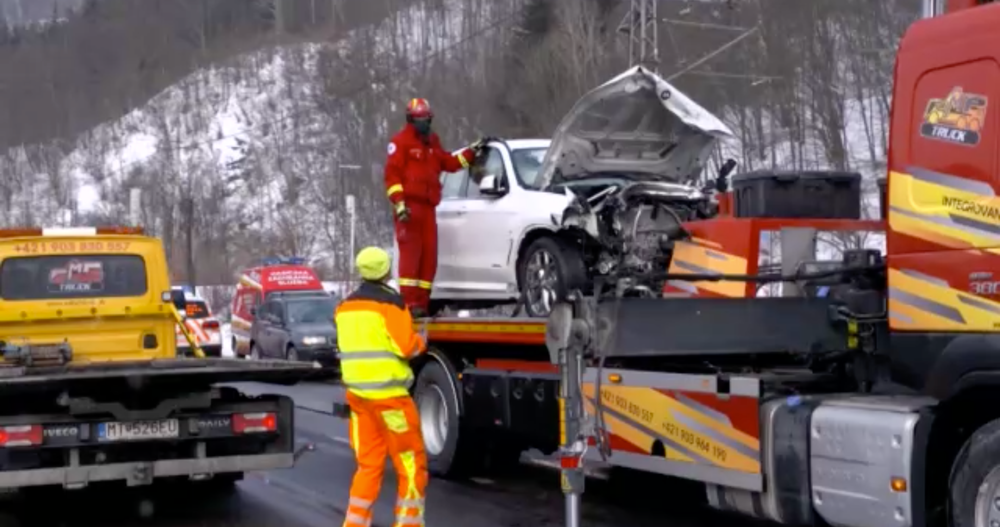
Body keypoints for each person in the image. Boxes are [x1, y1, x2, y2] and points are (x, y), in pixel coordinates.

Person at [335, 247, 429, 527]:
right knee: (411, 468)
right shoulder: (391, 304)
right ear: (386, 270)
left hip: (359, 400)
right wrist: (423, 338)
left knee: (368, 466)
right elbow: (407, 346)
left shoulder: (345, 307)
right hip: (391, 400)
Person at [384, 97, 493, 317]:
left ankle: (422, 305)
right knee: (411, 259)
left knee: (429, 259)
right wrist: (400, 204)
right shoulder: (401, 142)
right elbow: (392, 175)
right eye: (420, 119)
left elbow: (448, 162)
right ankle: (409, 304)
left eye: (427, 118)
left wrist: (470, 153)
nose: (424, 123)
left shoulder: (432, 142)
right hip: (410, 210)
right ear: (411, 119)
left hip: (429, 209)